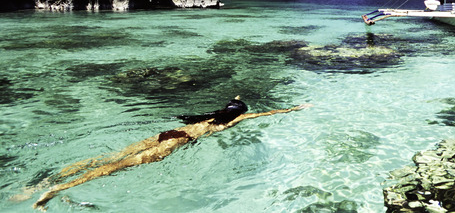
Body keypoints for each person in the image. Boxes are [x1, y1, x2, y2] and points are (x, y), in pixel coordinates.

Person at [32, 97, 309, 210]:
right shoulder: (231, 120)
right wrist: (293, 109)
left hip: (167, 133)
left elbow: (234, 103)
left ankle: (50, 180)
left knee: (106, 158)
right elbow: (265, 113)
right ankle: (57, 189)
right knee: (116, 167)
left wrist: (236, 99)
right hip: (176, 143)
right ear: (237, 115)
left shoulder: (214, 114)